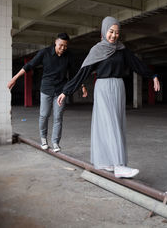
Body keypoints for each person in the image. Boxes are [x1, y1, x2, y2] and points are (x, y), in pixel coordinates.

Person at [57, 16, 160, 178]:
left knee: (116, 125)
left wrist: (152, 75)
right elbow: (82, 73)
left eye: (117, 33)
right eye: (111, 32)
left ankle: (108, 162)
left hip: (119, 88)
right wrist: (66, 91)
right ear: (105, 31)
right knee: (110, 125)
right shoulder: (97, 50)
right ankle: (119, 166)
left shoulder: (122, 49)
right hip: (103, 89)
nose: (113, 35)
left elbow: (135, 64)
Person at [7, 33, 87, 152]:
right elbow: (29, 65)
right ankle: (43, 139)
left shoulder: (69, 56)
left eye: (65, 46)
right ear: (55, 42)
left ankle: (55, 142)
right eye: (60, 45)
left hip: (61, 91)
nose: (63, 48)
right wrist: (15, 78)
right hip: (46, 89)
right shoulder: (44, 53)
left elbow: (75, 73)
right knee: (44, 115)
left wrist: (83, 86)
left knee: (58, 117)